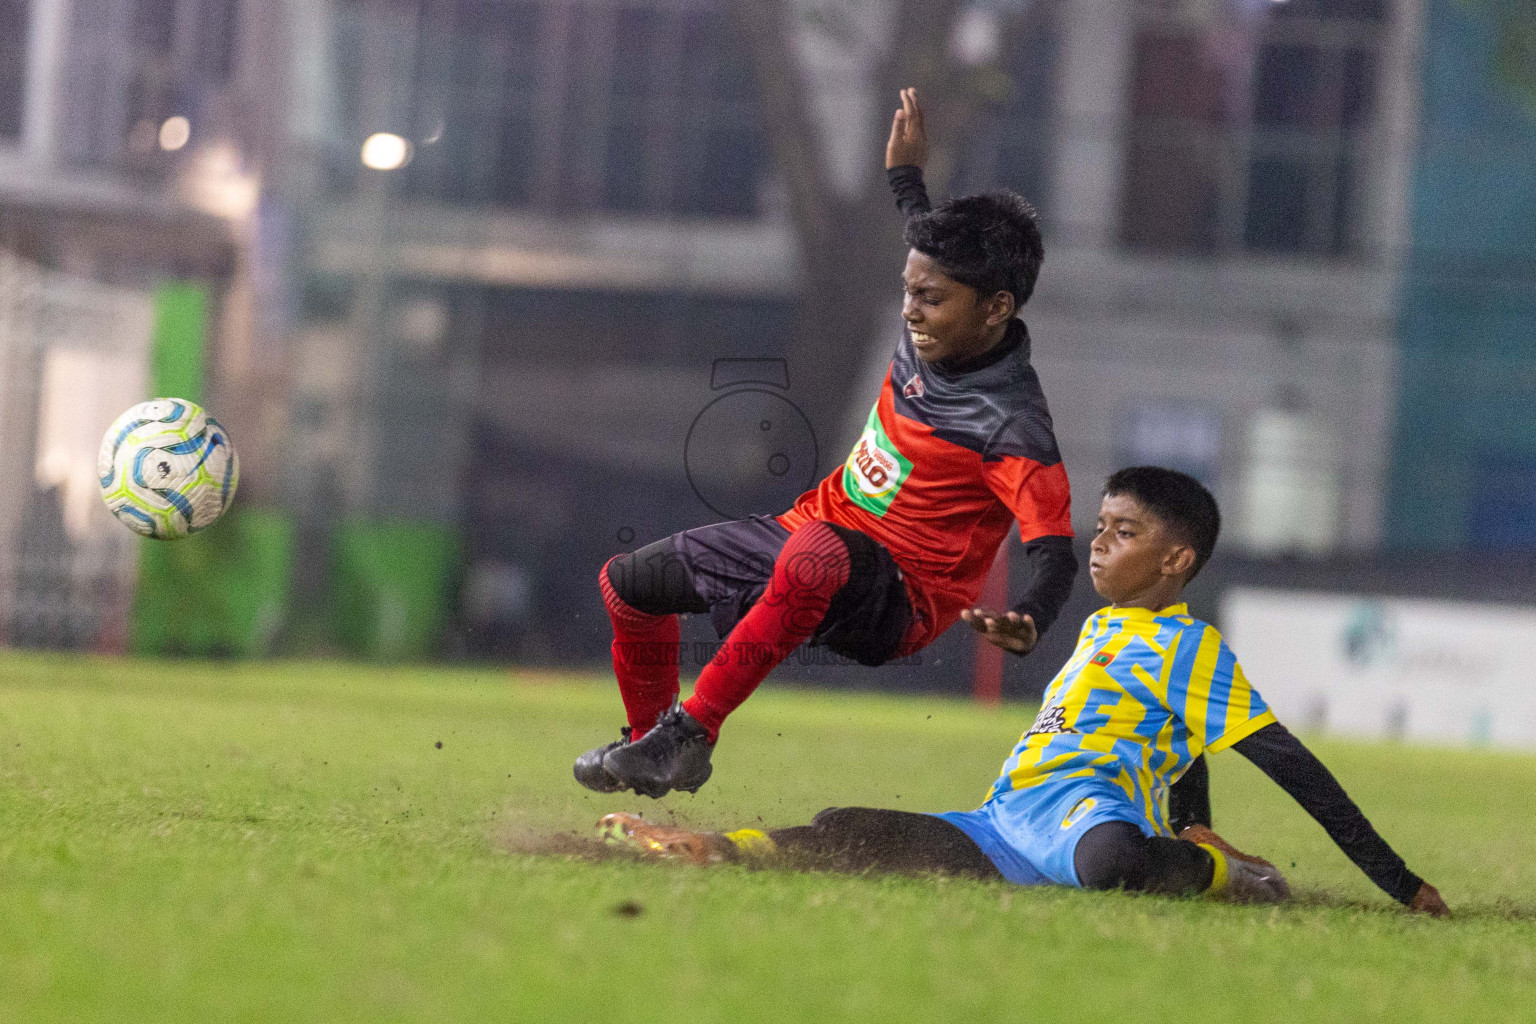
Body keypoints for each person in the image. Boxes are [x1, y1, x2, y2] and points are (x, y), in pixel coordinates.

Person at [598, 467, 1450, 916]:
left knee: (1113, 862)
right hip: (1004, 824)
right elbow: (1180, 739)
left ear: (1177, 561)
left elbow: (1292, 765)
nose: (1099, 544)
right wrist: (1192, 807)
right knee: (849, 831)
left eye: (1126, 532)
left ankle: (1224, 877)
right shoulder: (1101, 627)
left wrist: (1398, 879)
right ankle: (719, 848)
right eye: (1101, 527)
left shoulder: (1192, 646)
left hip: (1088, 822)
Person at [577, 88, 1078, 798]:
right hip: (813, 533)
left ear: (997, 309)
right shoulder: (943, 298)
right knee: (627, 585)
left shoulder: (1013, 424)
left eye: (930, 300)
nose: (911, 310)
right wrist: (905, 177)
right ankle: (651, 746)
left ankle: (690, 733)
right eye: (908, 291)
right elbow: (921, 230)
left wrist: (1033, 615)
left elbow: (1055, 549)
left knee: (815, 554)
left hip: (898, 603)